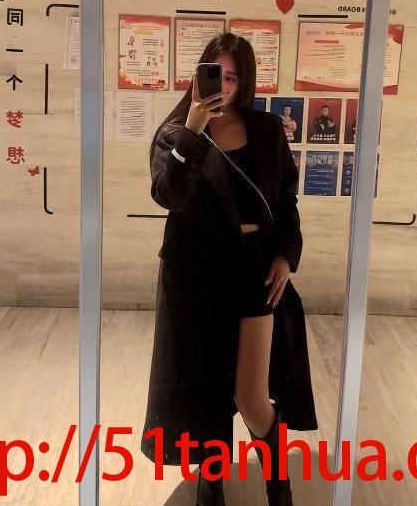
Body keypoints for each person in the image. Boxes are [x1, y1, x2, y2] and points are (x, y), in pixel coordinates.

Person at [140, 32, 317, 506]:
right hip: (195, 277)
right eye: (215, 73)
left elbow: (286, 200)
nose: (224, 85)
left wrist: (286, 254)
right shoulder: (174, 133)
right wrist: (194, 129)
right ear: (199, 75)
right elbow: (168, 195)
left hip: (254, 271)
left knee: (252, 396)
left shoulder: (266, 130)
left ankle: (277, 484)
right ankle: (210, 481)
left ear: (245, 82)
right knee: (205, 389)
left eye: (233, 77)